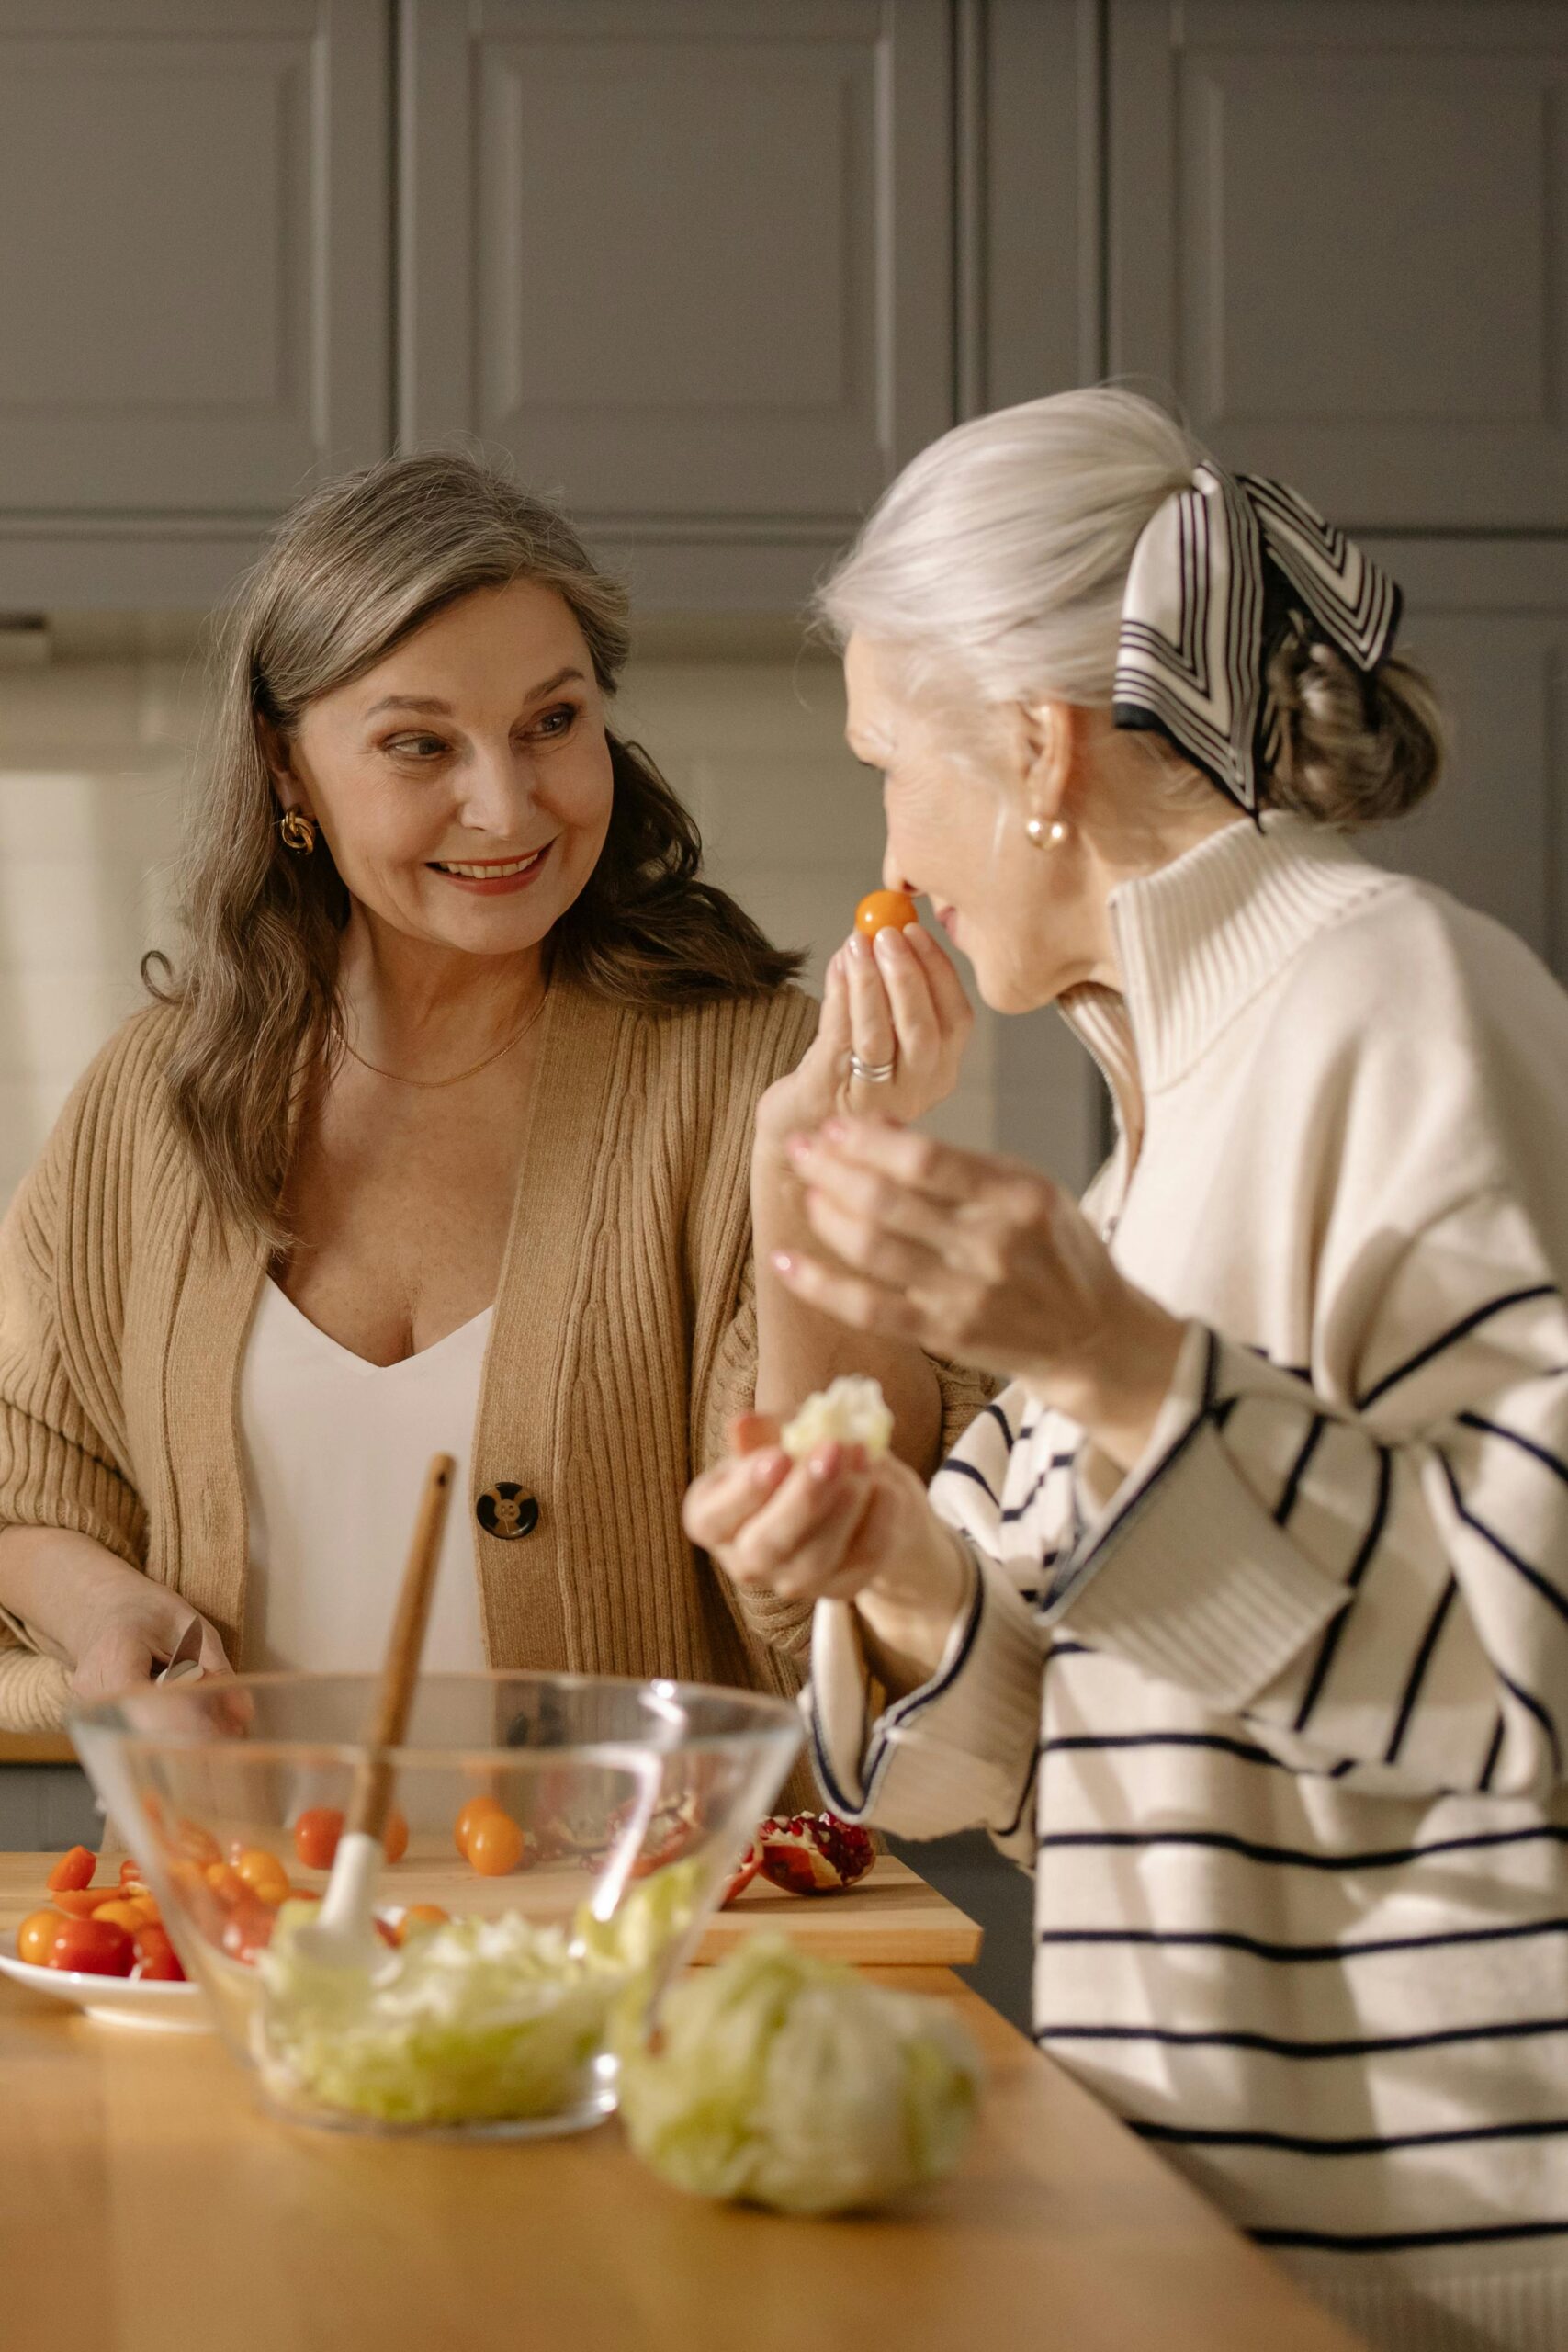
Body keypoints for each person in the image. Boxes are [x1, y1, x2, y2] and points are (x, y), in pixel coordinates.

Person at [687, 389, 1568, 2350]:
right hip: (1193, 2217)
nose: (882, 843)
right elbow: (1007, 1767)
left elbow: (1526, 1656)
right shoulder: (1154, 1117)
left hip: (1437, 2261)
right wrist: (898, 1555)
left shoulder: (1396, 1003)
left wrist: (1105, 1352)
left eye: (884, 765)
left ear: (1028, 750)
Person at [0, 452, 987, 1726]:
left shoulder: (760, 1078)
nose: (507, 803)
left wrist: (834, 1181)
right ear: (285, 768)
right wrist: (109, 1611)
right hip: (249, 1909)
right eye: (421, 744)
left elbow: (851, 1605)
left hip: (650, 1920)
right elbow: (24, 1496)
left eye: (552, 723)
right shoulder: (156, 1098)